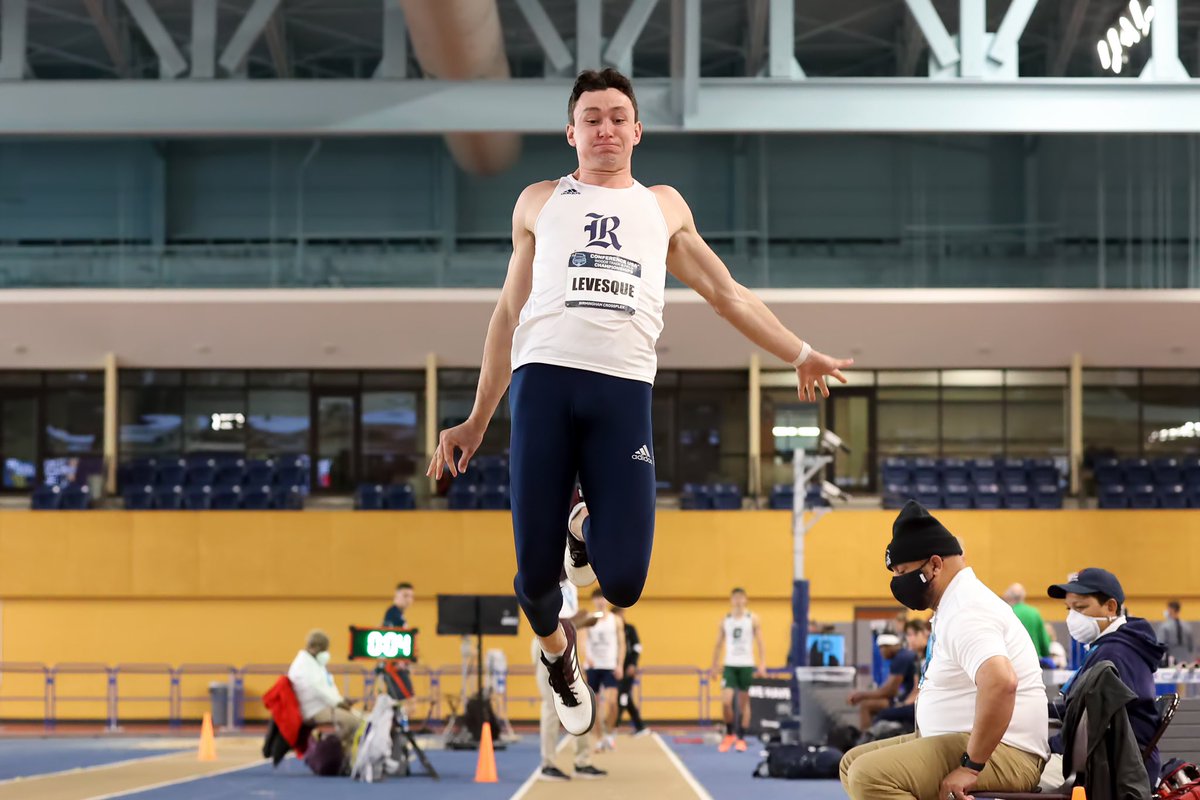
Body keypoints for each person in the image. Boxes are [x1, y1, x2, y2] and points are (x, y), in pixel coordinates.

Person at [425, 67, 852, 736]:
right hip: (543, 385)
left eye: (618, 117)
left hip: (621, 391)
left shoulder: (663, 207)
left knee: (623, 583)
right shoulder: (539, 201)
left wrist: (799, 353)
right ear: (572, 133)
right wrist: (478, 418)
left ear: (637, 131)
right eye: (591, 118)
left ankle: (582, 526)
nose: (606, 128)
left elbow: (727, 294)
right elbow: (507, 314)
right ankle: (559, 656)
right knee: (534, 584)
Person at [840, 501, 1048, 800]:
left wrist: (971, 767)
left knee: (869, 775)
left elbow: (1001, 683)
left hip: (1007, 753)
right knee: (851, 763)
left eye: (903, 572)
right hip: (960, 739)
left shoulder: (967, 609)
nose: (897, 583)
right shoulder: (952, 604)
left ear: (935, 565)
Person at [1049, 568, 1166, 787]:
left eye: (1080, 608)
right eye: (1069, 608)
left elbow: (1092, 725)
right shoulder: (1114, 647)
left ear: (1110, 607)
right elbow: (1084, 708)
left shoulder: (1113, 656)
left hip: (1113, 772)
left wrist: (1045, 747)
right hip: (1116, 764)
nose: (1072, 617)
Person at [535, 574, 607, 781]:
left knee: (581, 699)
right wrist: (580, 620)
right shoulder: (543, 581)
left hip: (568, 641)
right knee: (552, 705)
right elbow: (547, 622)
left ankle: (582, 762)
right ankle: (547, 764)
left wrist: (582, 622)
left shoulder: (571, 585)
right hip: (547, 644)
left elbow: (568, 623)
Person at [710, 587, 766, 753]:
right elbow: (718, 644)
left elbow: (760, 642)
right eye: (736, 598)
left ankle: (741, 737)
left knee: (743, 703)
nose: (739, 601)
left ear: (745, 600)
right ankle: (729, 733)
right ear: (731, 600)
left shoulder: (752, 618)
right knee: (726, 702)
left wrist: (762, 664)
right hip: (730, 664)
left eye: (741, 597)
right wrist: (714, 665)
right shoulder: (726, 620)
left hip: (746, 664)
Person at [287, 629, 361, 751]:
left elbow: (327, 688)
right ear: (313, 648)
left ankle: (343, 752)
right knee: (354, 723)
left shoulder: (315, 664)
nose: (326, 653)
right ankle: (330, 750)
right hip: (313, 710)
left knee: (361, 718)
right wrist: (338, 703)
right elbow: (318, 690)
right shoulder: (303, 665)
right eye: (324, 649)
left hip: (323, 706)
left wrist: (341, 700)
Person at [583, 589, 626, 752]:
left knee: (612, 703)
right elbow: (582, 640)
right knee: (594, 706)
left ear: (607, 600)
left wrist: (620, 664)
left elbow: (622, 644)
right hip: (593, 666)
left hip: (610, 666)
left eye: (602, 598)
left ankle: (609, 733)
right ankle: (600, 739)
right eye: (597, 598)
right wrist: (586, 657)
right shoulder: (588, 619)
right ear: (593, 601)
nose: (600, 601)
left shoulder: (616, 620)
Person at [849, 632, 918, 732]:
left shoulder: (901, 658)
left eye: (882, 647)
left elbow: (890, 691)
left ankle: (867, 738)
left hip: (908, 702)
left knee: (866, 705)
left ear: (890, 646)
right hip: (906, 698)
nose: (881, 652)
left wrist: (862, 695)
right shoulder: (902, 656)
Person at [377, 582, 416, 705]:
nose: (408, 600)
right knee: (408, 702)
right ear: (396, 596)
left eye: (411, 596)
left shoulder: (399, 616)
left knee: (394, 704)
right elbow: (388, 636)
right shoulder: (392, 615)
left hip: (398, 665)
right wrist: (399, 661)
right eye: (405, 595)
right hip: (394, 667)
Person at [612, 605, 648, 736]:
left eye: (621, 614)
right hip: (616, 668)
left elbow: (637, 648)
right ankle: (640, 726)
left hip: (628, 669)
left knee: (623, 696)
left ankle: (614, 725)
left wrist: (633, 664)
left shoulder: (630, 629)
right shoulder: (611, 630)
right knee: (626, 698)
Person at [1003, 583, 1052, 661]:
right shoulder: (1034, 613)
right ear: (1023, 596)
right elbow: (1043, 641)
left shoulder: (1006, 613)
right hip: (1034, 658)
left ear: (1007, 597)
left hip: (1012, 658)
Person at [1157, 600, 1195, 666]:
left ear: (1170, 610)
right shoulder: (1187, 626)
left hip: (1170, 662)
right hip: (1186, 662)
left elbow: (1160, 645)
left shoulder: (1164, 627)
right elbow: (1191, 647)